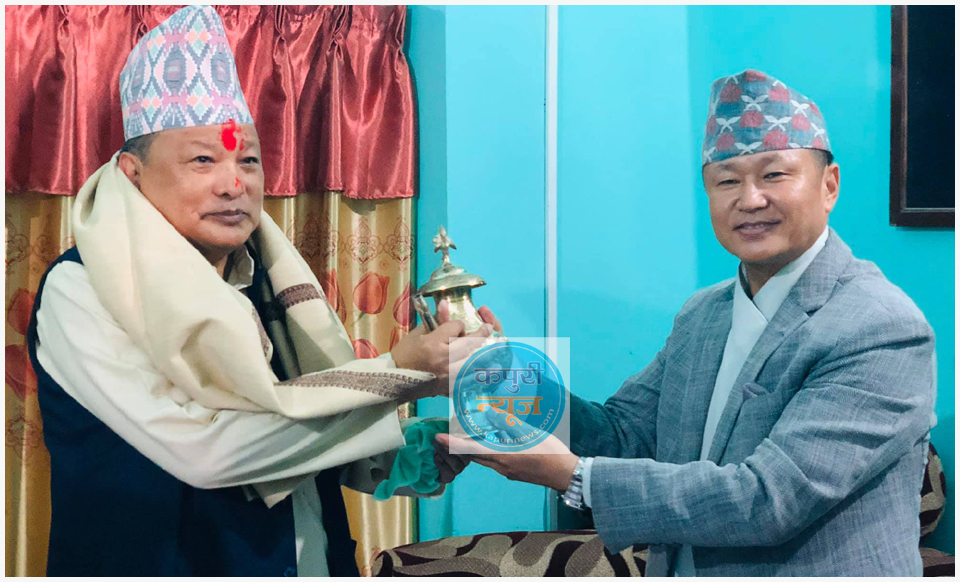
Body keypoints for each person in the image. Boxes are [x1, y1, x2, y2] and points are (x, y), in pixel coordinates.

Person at [27, 5, 483, 576]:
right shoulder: (83, 289)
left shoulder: (263, 282)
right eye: (203, 160)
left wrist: (412, 449)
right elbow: (208, 453)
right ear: (131, 175)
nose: (233, 184)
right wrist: (402, 373)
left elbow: (291, 429)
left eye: (248, 160)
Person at [439, 69, 937, 576]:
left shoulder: (880, 327)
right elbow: (624, 436)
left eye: (773, 175)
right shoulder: (703, 314)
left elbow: (768, 499)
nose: (750, 199)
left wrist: (574, 476)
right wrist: (507, 377)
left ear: (829, 186)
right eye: (728, 181)